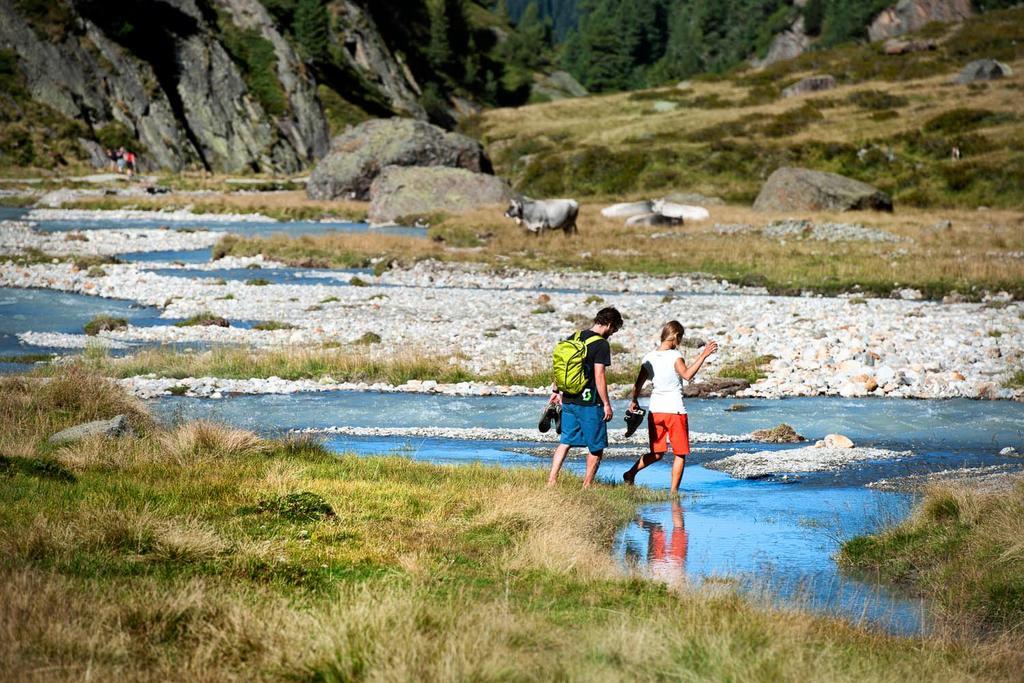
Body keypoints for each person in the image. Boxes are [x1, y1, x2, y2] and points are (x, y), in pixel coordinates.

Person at [622, 321, 718, 492]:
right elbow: (687, 375)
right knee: (679, 453)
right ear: (676, 337)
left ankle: (630, 474)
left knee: (657, 453)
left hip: (656, 411)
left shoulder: (648, 357)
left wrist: (634, 400)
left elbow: (638, 384)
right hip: (675, 410)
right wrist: (703, 355)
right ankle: (673, 493)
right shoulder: (675, 356)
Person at [547, 306, 623, 488]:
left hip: (569, 399)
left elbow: (561, 367)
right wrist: (606, 404)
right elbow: (599, 375)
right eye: (614, 330)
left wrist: (556, 391)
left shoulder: (575, 336)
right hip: (590, 403)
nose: (612, 334)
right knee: (596, 446)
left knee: (565, 441)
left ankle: (551, 481)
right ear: (610, 324)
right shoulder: (601, 344)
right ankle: (587, 485)